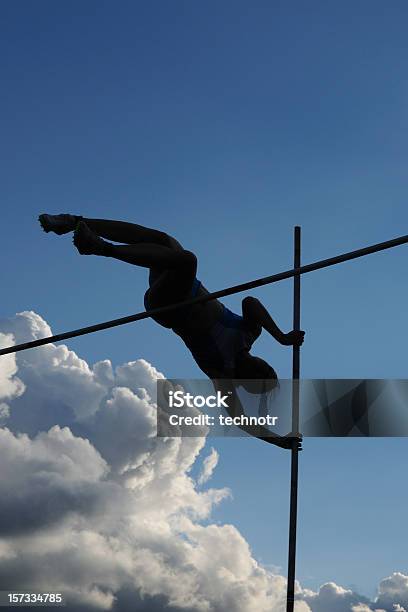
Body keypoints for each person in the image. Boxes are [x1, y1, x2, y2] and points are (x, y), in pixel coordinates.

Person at [39, 214, 305, 449]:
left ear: (247, 381)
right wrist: (281, 337)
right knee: (163, 240)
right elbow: (250, 303)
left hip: (167, 307)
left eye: (259, 375)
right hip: (182, 286)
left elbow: (240, 419)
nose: (261, 367)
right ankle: (73, 222)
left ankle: (101, 247)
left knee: (187, 260)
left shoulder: (222, 373)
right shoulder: (249, 334)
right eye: (267, 367)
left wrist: (279, 441)